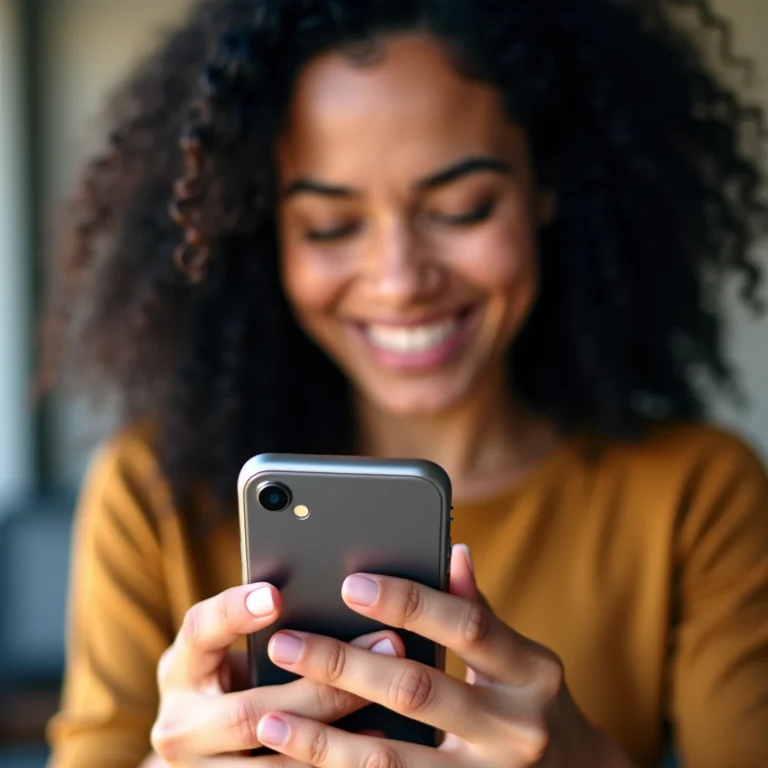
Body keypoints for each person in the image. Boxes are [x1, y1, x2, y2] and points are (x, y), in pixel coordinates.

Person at [42, 0, 768, 766]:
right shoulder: (155, 490)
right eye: (329, 225)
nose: (400, 282)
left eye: (461, 209)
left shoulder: (698, 494)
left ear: (549, 184)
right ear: (265, 236)